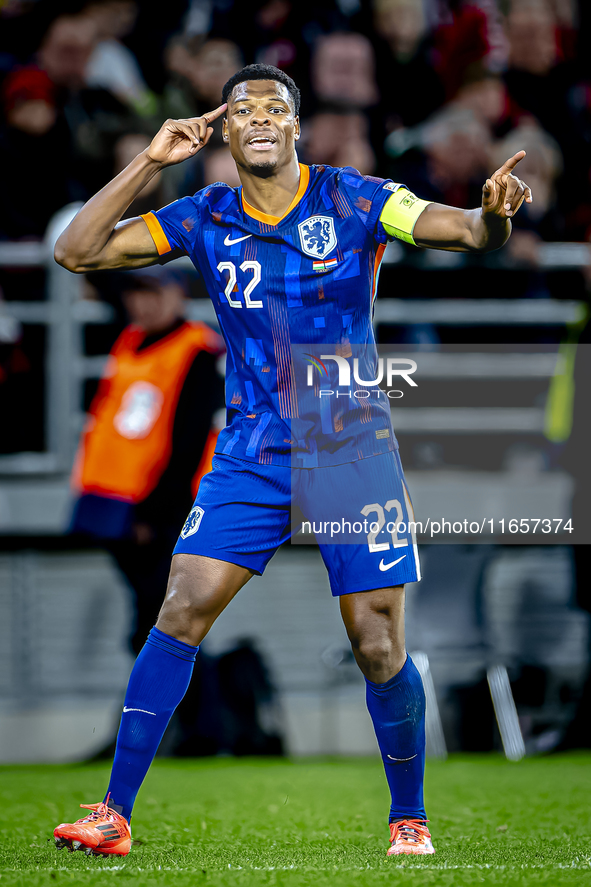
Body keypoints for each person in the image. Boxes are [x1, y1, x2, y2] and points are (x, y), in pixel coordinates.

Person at [52, 63, 532, 859]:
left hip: (351, 447)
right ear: (226, 132)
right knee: (182, 603)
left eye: (277, 106)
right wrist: (151, 157)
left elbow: (463, 230)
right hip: (253, 449)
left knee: (375, 639)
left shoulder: (355, 197)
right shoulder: (202, 213)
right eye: (244, 109)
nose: (262, 116)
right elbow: (77, 250)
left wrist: (491, 220)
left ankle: (406, 816)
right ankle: (112, 812)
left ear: (296, 127)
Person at [69, 264, 224, 655]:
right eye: (136, 293)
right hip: (113, 502)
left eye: (156, 292)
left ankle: (192, 713)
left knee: (162, 627)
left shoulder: (197, 350)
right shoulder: (131, 338)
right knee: (152, 622)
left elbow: (188, 442)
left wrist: (154, 514)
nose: (145, 303)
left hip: (158, 511)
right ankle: (173, 711)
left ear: (179, 295)